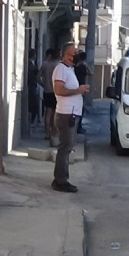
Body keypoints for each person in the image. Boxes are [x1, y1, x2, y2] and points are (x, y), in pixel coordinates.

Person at [51, 43, 90, 193]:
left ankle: (61, 178)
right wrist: (78, 90)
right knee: (65, 147)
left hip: (71, 113)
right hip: (66, 113)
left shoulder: (69, 69)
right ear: (66, 55)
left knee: (67, 147)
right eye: (75, 53)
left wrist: (80, 90)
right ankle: (60, 180)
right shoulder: (61, 69)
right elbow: (59, 90)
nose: (77, 55)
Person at [38, 48, 60, 144]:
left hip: (47, 91)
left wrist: (43, 84)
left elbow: (37, 77)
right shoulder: (58, 66)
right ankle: (54, 132)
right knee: (55, 113)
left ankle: (47, 133)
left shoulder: (45, 65)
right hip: (56, 91)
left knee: (48, 112)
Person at [73, 51, 92, 134]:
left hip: (75, 88)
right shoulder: (83, 66)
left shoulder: (75, 66)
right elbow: (91, 73)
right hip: (81, 89)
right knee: (81, 108)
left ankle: (77, 126)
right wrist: (85, 64)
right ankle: (78, 127)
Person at [27, 49, 40, 127]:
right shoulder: (30, 65)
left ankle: (32, 120)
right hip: (31, 85)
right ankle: (31, 121)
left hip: (32, 85)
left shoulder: (31, 64)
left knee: (33, 104)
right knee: (34, 104)